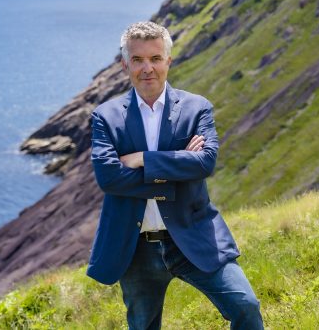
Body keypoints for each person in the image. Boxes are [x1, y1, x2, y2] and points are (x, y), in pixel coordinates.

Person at [86, 21, 264, 329]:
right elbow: (108, 178)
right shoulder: (106, 117)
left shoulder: (197, 108)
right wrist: (178, 169)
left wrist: (142, 159)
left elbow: (205, 162)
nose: (147, 68)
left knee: (246, 306)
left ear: (168, 60)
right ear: (125, 63)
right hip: (135, 246)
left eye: (155, 58)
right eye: (138, 60)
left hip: (193, 234)